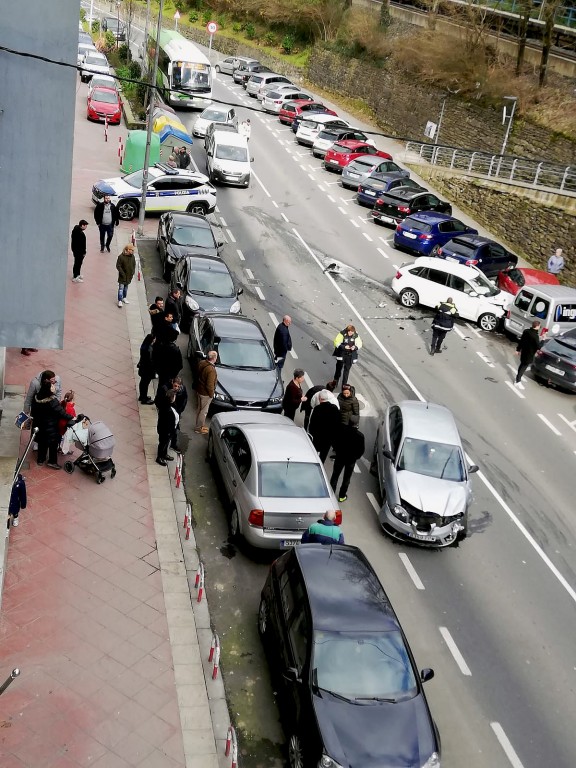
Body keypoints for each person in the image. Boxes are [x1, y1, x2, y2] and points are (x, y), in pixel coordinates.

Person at [31, 380, 76, 469]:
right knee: (53, 444)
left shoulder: (36, 397)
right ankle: (52, 461)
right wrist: (72, 418)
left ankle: (41, 459)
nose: (54, 387)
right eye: (52, 386)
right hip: (51, 426)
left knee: (42, 443)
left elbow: (33, 410)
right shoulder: (53, 401)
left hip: (39, 424)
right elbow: (61, 413)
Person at [330, 416, 365, 502]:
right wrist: (355, 457)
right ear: (357, 424)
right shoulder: (360, 436)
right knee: (347, 478)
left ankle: (331, 494)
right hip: (351, 460)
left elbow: (334, 442)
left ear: (349, 421)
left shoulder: (341, 430)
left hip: (340, 457)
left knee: (335, 475)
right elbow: (361, 450)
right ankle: (342, 496)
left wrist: (337, 451)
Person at [155, 375, 188, 450]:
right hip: (166, 413)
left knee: (174, 430)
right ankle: (162, 451)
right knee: (164, 434)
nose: (176, 388)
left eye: (178, 386)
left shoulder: (182, 390)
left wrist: (180, 409)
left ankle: (172, 445)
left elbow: (185, 399)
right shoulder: (165, 389)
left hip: (176, 412)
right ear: (172, 382)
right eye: (175, 386)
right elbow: (158, 401)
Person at [308, 389, 340, 462]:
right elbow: (337, 424)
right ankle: (321, 465)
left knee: (314, 452)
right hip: (328, 438)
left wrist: (311, 434)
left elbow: (312, 423)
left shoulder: (317, 409)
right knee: (323, 454)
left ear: (320, 398)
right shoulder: (334, 409)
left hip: (317, 437)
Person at [195, 350, 218, 434]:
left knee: (199, 409)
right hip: (205, 393)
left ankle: (199, 425)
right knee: (203, 411)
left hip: (199, 390)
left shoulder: (202, 363)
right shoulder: (211, 370)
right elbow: (210, 385)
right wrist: (211, 395)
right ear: (214, 358)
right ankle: (198, 428)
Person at [515, 320, 541, 388]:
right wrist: (543, 340)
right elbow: (538, 347)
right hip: (530, 354)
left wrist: (518, 349)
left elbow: (521, 341)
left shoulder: (526, 331)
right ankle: (518, 381)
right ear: (537, 326)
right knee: (523, 367)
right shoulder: (535, 336)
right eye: (539, 326)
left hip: (524, 351)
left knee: (521, 365)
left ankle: (518, 378)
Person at [156, 388, 179, 466]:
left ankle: (164, 454)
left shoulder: (170, 405)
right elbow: (166, 423)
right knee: (162, 443)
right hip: (165, 431)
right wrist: (169, 432)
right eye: (174, 396)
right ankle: (159, 457)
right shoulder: (166, 409)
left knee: (166, 443)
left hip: (169, 430)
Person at [137, 333, 156, 405]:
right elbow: (151, 361)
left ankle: (142, 396)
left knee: (142, 383)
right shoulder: (149, 350)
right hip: (147, 370)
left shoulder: (144, 346)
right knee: (145, 384)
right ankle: (144, 399)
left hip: (143, 368)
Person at [58, 391, 77, 455]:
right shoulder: (71, 408)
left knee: (60, 436)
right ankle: (65, 450)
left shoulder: (61, 404)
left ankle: (59, 447)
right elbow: (73, 417)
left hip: (60, 423)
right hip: (66, 425)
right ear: (71, 400)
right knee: (67, 439)